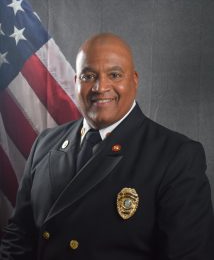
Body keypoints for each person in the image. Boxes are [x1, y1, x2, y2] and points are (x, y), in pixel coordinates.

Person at [1, 33, 214, 259]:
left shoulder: (176, 155)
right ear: (76, 82)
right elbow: (19, 238)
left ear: (134, 80)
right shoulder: (45, 144)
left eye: (114, 75)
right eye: (88, 76)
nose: (100, 87)